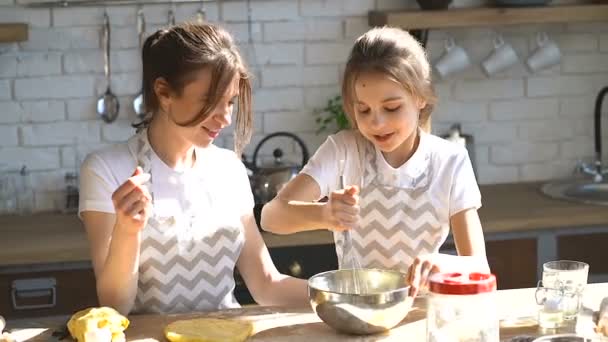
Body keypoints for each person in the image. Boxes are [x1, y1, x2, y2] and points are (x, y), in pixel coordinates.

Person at [79, 22, 308, 315]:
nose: (225, 118)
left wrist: (344, 297)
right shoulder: (107, 170)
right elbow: (114, 305)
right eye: (211, 102)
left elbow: (267, 285)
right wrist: (127, 230)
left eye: (230, 103)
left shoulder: (229, 169)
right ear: (163, 92)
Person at [261, 27, 489, 296]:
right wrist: (323, 215)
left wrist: (445, 264)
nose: (376, 122)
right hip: (356, 314)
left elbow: (479, 267)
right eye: (363, 109)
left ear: (420, 98)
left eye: (391, 108)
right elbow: (271, 217)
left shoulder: (450, 162)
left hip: (423, 315)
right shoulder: (343, 150)